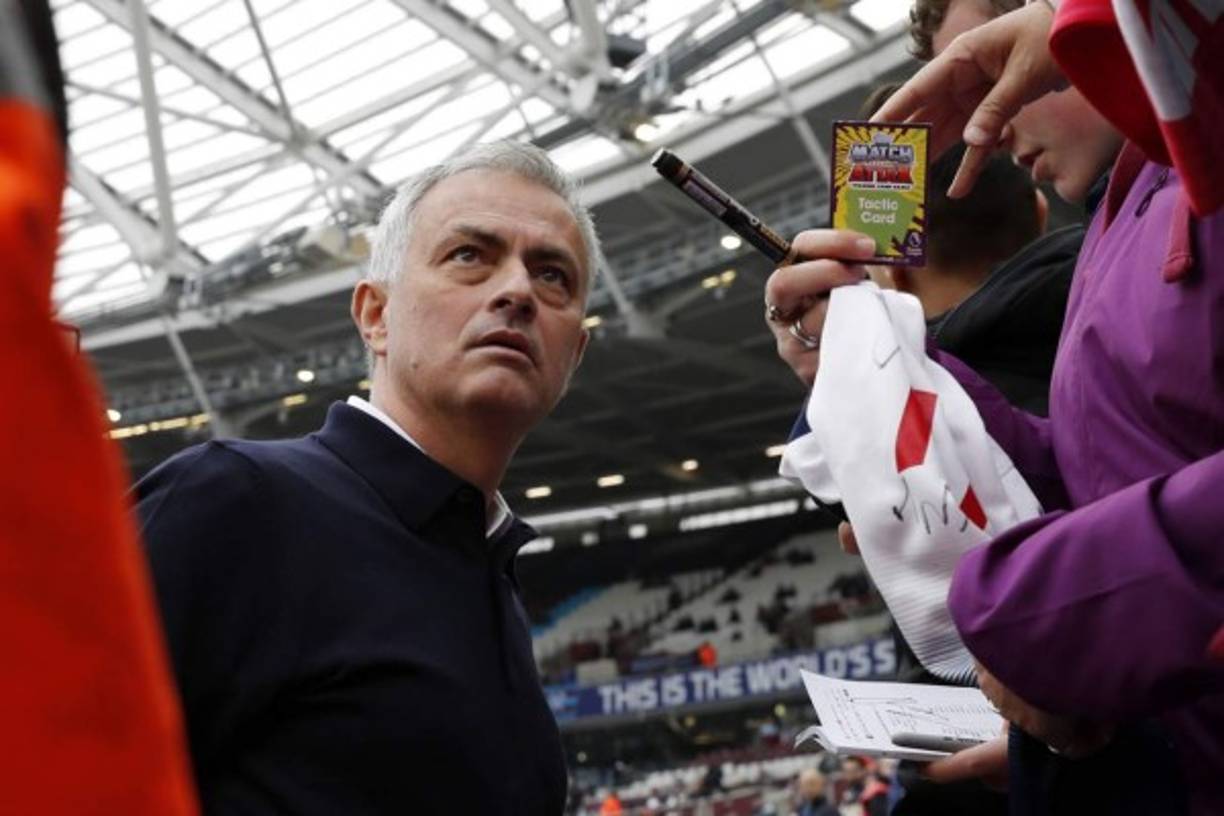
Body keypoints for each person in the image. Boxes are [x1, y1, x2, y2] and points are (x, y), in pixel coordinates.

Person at [769, 1, 1224, 814]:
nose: (994, 122)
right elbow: (1099, 470)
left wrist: (1036, 607)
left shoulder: (1181, 180)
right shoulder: (1126, 210)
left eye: (992, 77)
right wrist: (879, 364)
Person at [136, 141, 600, 815]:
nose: (518, 292)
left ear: (574, 352)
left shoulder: (487, 573)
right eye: (470, 255)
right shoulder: (236, 501)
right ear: (375, 316)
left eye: (553, 274)